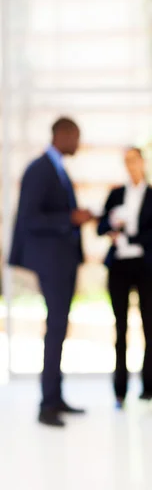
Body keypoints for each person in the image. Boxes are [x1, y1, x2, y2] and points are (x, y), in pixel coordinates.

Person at [9, 117, 92, 427]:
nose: (78, 144)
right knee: (55, 329)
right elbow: (29, 219)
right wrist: (69, 218)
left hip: (63, 260)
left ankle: (55, 397)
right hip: (52, 262)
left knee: (59, 329)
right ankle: (47, 405)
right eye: (76, 137)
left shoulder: (56, 168)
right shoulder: (39, 169)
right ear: (63, 135)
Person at [98, 147, 152, 407]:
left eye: (134, 160)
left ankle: (150, 386)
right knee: (120, 327)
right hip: (119, 267)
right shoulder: (116, 193)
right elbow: (101, 226)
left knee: (148, 324)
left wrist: (127, 235)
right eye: (126, 161)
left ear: (142, 162)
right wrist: (113, 226)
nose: (130, 165)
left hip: (145, 265)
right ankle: (120, 389)